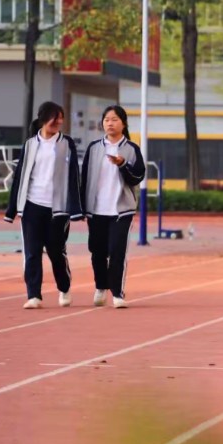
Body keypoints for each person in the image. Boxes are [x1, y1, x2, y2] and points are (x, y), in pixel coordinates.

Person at [4, 101, 84, 309]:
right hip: (31, 205)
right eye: (54, 118)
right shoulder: (30, 144)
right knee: (32, 251)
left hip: (58, 208)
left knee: (56, 251)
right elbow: (20, 177)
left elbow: (74, 176)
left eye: (60, 118)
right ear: (43, 119)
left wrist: (75, 209)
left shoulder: (67, 144)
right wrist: (12, 209)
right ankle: (34, 295)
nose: (58, 122)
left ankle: (64, 288)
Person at [79, 105, 146, 309]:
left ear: (123, 124)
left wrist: (123, 164)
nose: (110, 123)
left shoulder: (131, 149)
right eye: (107, 119)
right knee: (97, 251)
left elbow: (138, 176)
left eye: (114, 119)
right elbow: (85, 178)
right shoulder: (94, 148)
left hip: (121, 211)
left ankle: (117, 292)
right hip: (96, 210)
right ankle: (101, 286)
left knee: (117, 251)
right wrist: (82, 207)